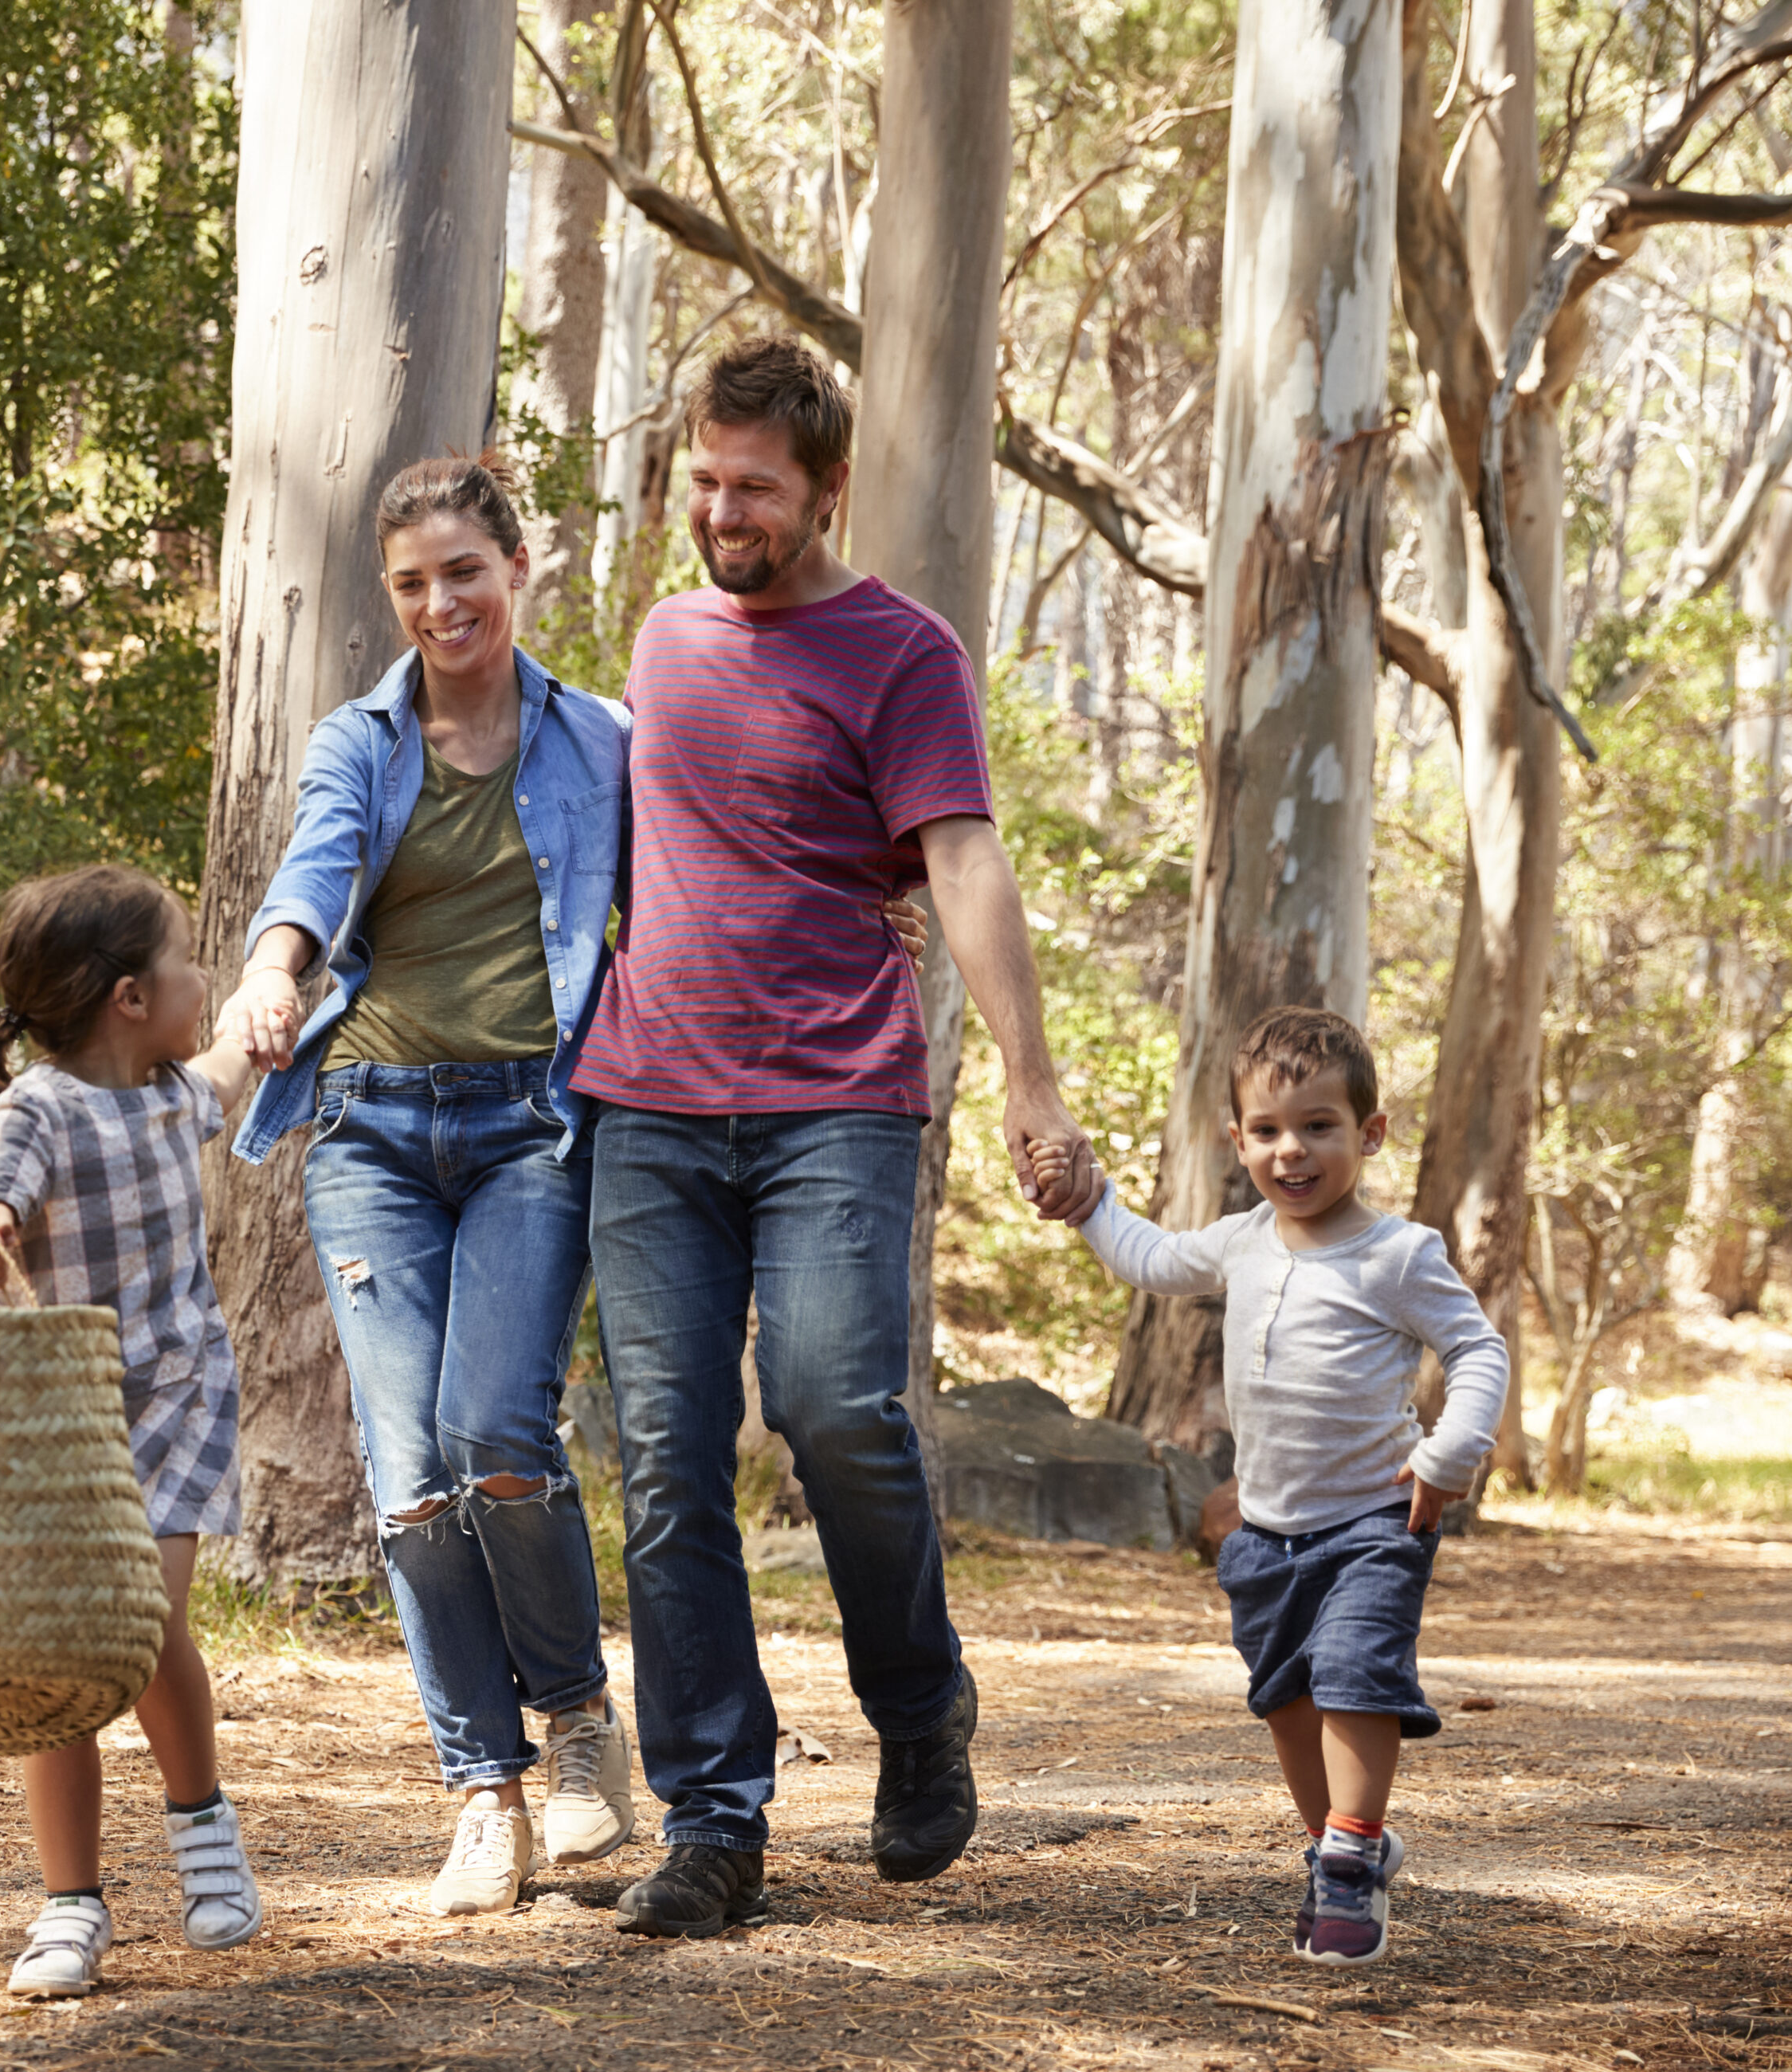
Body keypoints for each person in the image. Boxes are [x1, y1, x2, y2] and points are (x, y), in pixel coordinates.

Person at [217, 451, 931, 1918]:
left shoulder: (597, 736)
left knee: (496, 1434)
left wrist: (870, 892)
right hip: (367, 1129)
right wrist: (268, 978)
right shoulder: (357, 740)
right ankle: (481, 1790)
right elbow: (310, 877)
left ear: (518, 569)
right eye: (410, 583)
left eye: (463, 573)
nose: (439, 604)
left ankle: (582, 1729)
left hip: (535, 1126)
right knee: (410, 1485)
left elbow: (715, 846)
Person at [571, 333, 1105, 1939]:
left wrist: (1031, 1076)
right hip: (649, 1108)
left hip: (835, 1105)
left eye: (755, 488)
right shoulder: (661, 643)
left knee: (834, 1409)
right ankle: (714, 1818)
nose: (722, 512)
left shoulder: (903, 651)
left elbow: (962, 860)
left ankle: (921, 1703)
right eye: (704, 481)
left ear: (825, 489)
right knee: (667, 1457)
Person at [1043, 1006, 1508, 1966]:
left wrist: (1451, 1450)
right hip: (1267, 1534)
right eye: (1267, 1130)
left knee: (1352, 1677)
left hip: (1376, 1518)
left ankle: (1347, 1858)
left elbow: (1477, 1349)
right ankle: (1342, 1842)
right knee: (1288, 1698)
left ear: (1369, 1133)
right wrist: (1087, 1198)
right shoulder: (1245, 1239)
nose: (1291, 1150)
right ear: (1238, 1139)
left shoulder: (1398, 1253)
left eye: (1319, 1126)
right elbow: (1149, 1255)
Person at [0, 865, 267, 1998]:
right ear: (130, 997)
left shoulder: (177, 1092)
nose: (204, 978)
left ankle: (200, 1821)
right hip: (65, 1419)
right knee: (59, 1656)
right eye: (187, 961)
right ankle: (71, 1900)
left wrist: (278, 1010)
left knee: (143, 1624)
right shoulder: (40, 1106)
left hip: (178, 1400)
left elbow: (236, 1062)